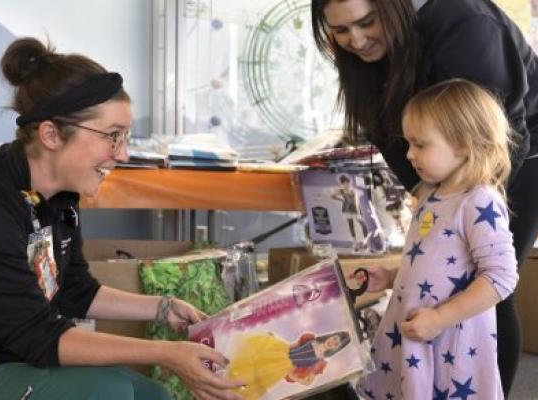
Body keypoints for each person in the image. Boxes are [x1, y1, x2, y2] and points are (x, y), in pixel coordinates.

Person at [0, 37, 245, 400]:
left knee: (154, 396)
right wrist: (167, 353)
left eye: (126, 137)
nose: (124, 153)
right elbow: (39, 337)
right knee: (107, 390)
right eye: (112, 137)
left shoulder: (60, 197)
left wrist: (163, 307)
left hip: (9, 359)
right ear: (51, 134)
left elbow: (73, 291)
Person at [311, 0, 538, 395]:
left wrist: (459, 201)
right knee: (443, 283)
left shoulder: (466, 25)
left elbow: (502, 134)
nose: (357, 40)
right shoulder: (369, 57)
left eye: (366, 22)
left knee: (484, 292)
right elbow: (391, 137)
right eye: (341, 31)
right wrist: (430, 197)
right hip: (453, 173)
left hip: (513, 152)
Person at [355, 79, 518, 399]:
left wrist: (440, 318)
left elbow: (501, 276)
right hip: (415, 334)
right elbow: (431, 260)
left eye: (420, 144)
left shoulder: (479, 200)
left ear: (462, 143)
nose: (410, 154)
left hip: (448, 342)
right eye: (408, 144)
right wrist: (390, 278)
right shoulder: (432, 194)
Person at [226, 331, 351, 400]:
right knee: (252, 359)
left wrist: (292, 374)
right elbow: (292, 345)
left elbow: (308, 382)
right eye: (334, 338)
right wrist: (275, 338)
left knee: (256, 379)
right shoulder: (311, 338)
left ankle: (230, 388)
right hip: (280, 352)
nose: (332, 342)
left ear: (336, 349)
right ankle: (230, 373)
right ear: (331, 335)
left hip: (283, 367)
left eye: (336, 344)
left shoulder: (322, 362)